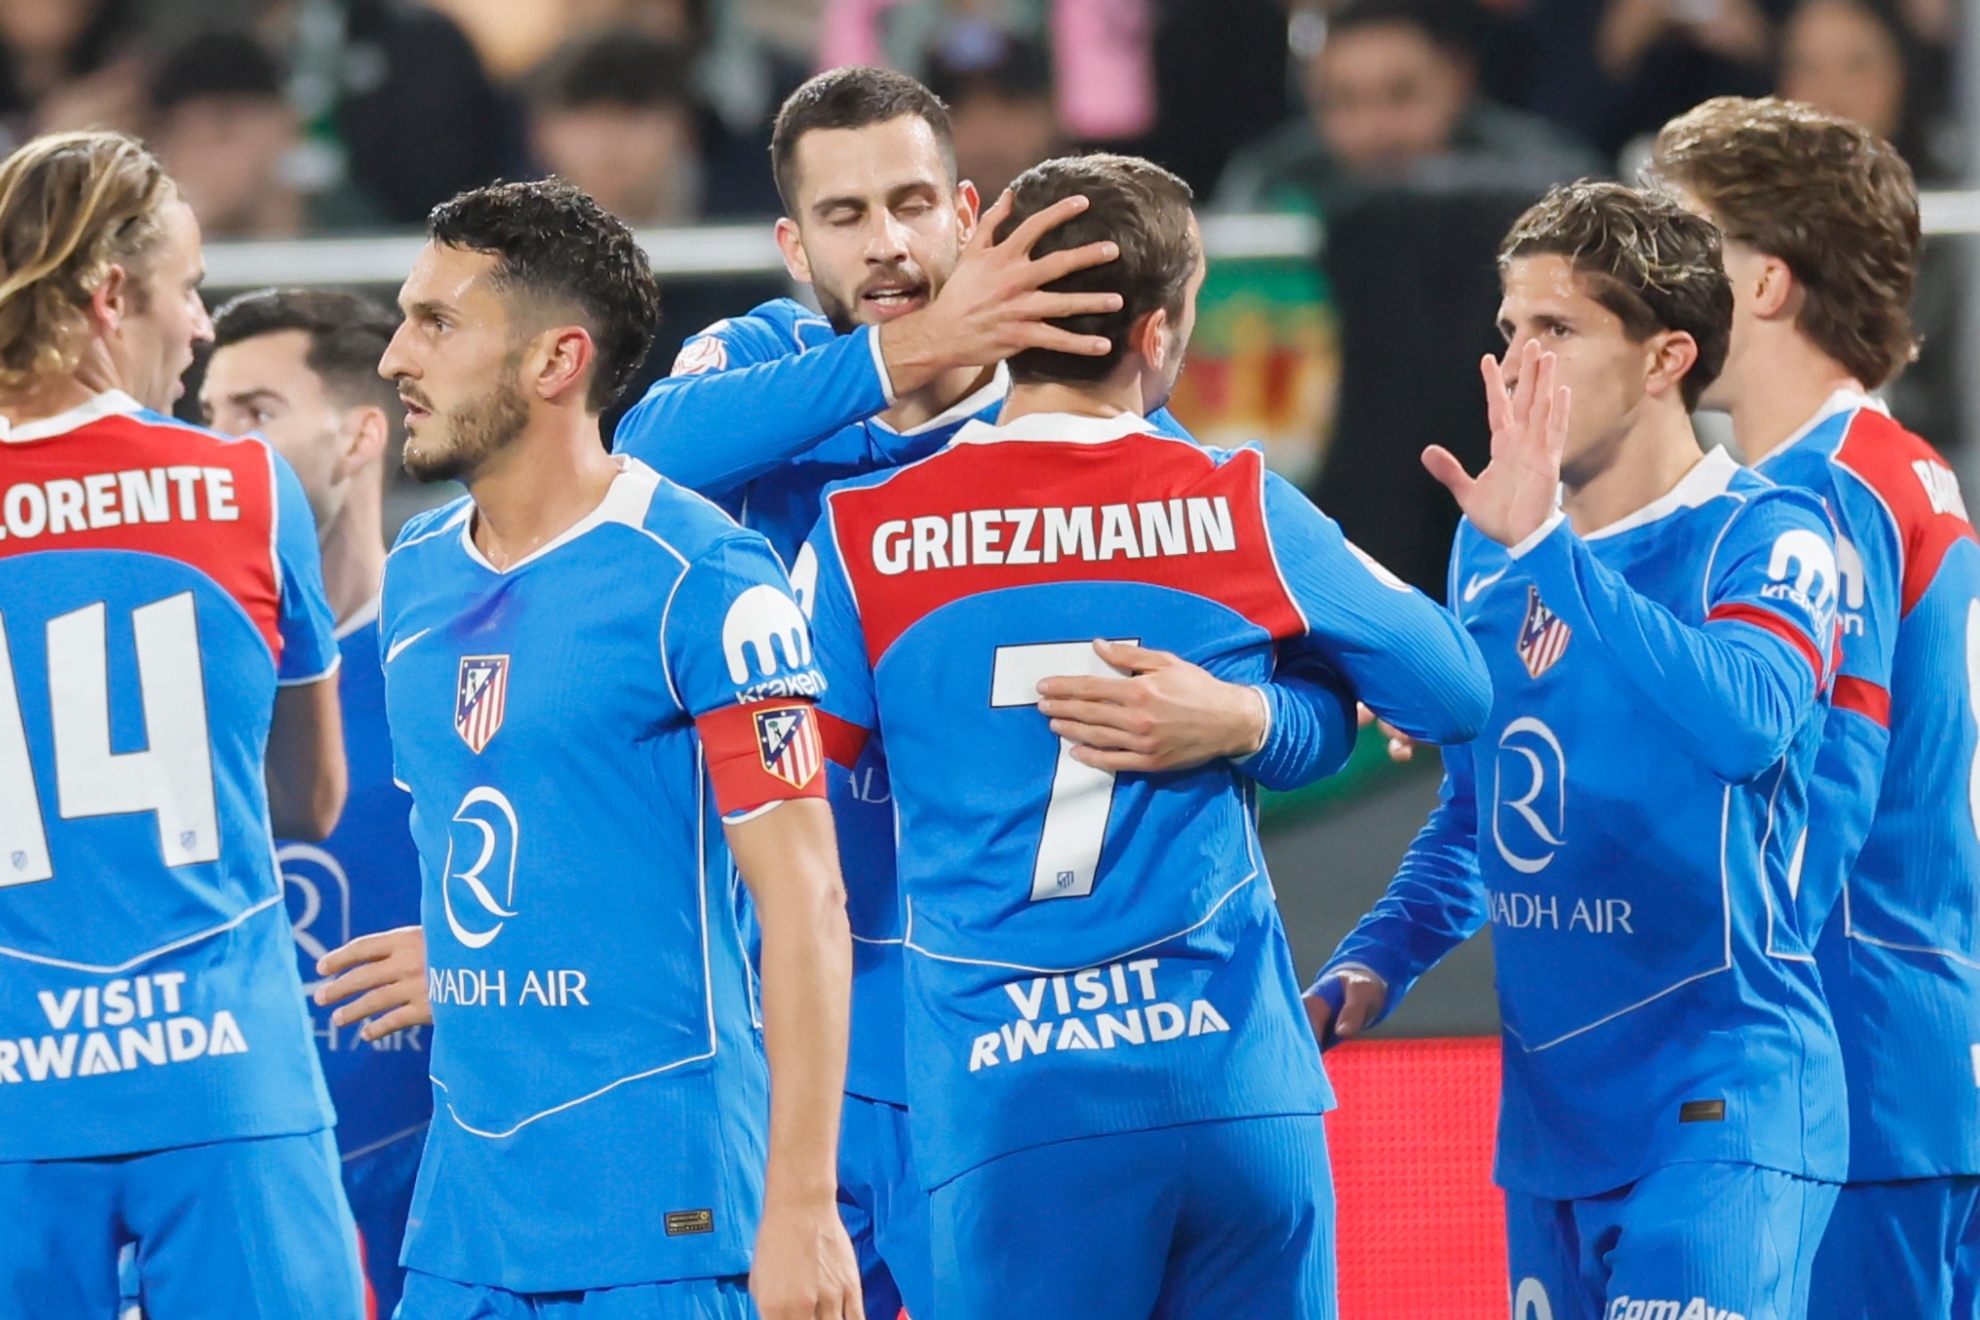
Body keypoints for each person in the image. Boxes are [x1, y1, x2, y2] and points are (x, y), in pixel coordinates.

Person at [613, 66, 1367, 1320]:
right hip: (802, 1036)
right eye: (846, 216)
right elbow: (637, 459)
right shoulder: (761, 363)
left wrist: (1246, 722)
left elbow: (1331, 703)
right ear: (793, 244)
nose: (890, 242)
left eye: (913, 203)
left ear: (970, 214)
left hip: (1003, 1046)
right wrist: (914, 352)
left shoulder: (1116, 437)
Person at [800, 151, 1493, 1318]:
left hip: (1013, 1105)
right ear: (1163, 332)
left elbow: (797, 810)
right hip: (1234, 1089)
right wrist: (1257, 719)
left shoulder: (864, 532)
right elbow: (1454, 696)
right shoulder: (1238, 502)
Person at [1309, 181, 1847, 1320]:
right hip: (1552, 1125)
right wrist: (1378, 958)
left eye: (1557, 330)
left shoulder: (1768, 533)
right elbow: (1480, 815)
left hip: (1724, 1108)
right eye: (1509, 331)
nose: (1517, 363)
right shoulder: (1491, 548)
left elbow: (1747, 721)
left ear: (1666, 359)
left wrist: (1554, 552)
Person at [336, 177, 859, 1319]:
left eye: (437, 323)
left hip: (665, 1224)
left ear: (555, 361)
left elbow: (807, 902)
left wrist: (805, 1206)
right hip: (464, 1228)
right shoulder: (416, 576)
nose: (395, 359)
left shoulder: (703, 576)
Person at [0, 131, 361, 1317]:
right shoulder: (249, 490)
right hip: (223, 1078)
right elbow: (309, 800)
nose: (202, 327)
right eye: (189, 288)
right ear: (111, 298)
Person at [1653, 96, 1980, 1320]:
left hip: (1838, 1067)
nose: (1653, 281)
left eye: (1684, 247)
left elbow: (1824, 785)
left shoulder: (1817, 499)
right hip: (1920, 1048)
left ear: (1770, 284)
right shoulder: (1906, 469)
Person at [200, 287, 427, 1318]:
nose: (218, 450)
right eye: (202, 419)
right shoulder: (164, 691)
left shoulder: (463, 653)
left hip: (450, 1204)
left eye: (253, 415)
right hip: (225, 1212)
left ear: (361, 435)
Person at [1215, 0, 1601, 220]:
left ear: (1458, 80)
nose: (1376, 130)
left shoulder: (1546, 175)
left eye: (1402, 95)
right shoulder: (1268, 181)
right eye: (1345, 102)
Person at [525, 32, 703, 227]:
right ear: (540, 133)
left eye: (632, 115)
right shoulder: (507, 236)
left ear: (683, 128)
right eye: (587, 117)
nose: (608, 140)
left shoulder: (736, 211)